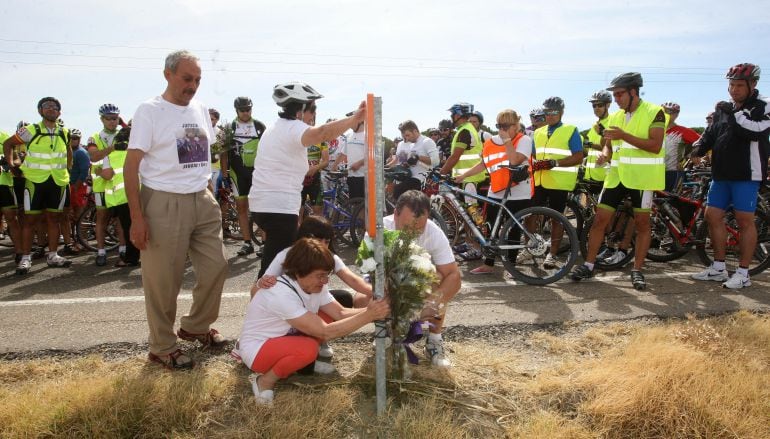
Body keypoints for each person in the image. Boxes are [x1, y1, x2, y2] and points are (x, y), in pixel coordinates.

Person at [125, 50, 230, 370]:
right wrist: (137, 218)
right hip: (163, 201)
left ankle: (195, 326)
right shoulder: (150, 111)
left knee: (218, 266)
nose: (193, 85)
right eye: (187, 78)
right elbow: (131, 167)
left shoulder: (198, 109)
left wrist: (209, 195)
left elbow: (195, 156)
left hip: (201, 198)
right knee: (163, 281)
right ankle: (161, 345)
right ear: (167, 74)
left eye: (197, 80)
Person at [238, 237, 390, 405]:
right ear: (299, 272)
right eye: (320, 276)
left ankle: (299, 363)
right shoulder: (279, 293)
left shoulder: (312, 284)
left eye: (327, 275)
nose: (325, 281)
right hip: (257, 349)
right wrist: (369, 315)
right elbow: (325, 331)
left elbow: (340, 313)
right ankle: (264, 381)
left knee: (326, 316)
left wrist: (381, 309)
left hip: (281, 338)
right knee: (308, 348)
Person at [249, 81, 366, 279]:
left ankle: (278, 302)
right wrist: (354, 119)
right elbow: (322, 133)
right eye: (312, 109)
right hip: (279, 207)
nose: (314, 115)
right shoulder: (292, 128)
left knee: (282, 261)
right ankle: (262, 305)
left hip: (267, 205)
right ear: (300, 110)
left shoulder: (277, 128)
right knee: (273, 270)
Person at [570, 72, 666, 290]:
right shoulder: (615, 117)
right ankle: (589, 265)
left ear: (633, 92)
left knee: (642, 225)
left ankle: (637, 270)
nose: (616, 99)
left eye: (620, 94)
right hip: (616, 176)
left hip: (642, 178)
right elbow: (609, 144)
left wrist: (624, 135)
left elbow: (655, 145)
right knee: (599, 220)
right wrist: (605, 153)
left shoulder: (655, 111)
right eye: (614, 95)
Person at [691, 63, 769, 289]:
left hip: (747, 173)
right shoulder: (724, 109)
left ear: (752, 85)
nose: (734, 90)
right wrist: (699, 146)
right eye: (731, 85)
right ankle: (718, 267)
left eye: (739, 85)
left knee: (745, 221)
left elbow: (754, 131)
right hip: (721, 173)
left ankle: (744, 273)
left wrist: (733, 112)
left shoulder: (763, 106)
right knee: (712, 216)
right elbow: (711, 132)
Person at [385, 190, 462, 367]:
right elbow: (370, 274)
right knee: (362, 298)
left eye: (418, 228)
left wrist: (433, 303)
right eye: (406, 227)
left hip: (416, 285)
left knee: (440, 279)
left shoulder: (434, 232)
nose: (412, 233)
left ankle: (434, 340)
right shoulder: (380, 229)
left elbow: (454, 276)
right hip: (387, 284)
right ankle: (385, 336)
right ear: (395, 214)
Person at [455, 110, 534, 275]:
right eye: (500, 126)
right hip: (496, 190)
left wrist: (507, 141)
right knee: (490, 229)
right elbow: (483, 164)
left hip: (518, 190)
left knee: (513, 228)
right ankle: (488, 264)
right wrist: (463, 175)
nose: (503, 129)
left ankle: (511, 265)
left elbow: (514, 160)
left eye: (507, 126)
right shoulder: (490, 142)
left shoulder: (524, 139)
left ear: (516, 125)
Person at [3, 97, 73, 275]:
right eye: (47, 106)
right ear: (40, 111)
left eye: (55, 107)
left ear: (59, 112)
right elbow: (9, 143)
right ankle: (26, 258)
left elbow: (69, 150)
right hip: (35, 181)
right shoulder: (31, 129)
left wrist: (68, 169)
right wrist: (12, 166)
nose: (51, 109)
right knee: (30, 221)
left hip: (57, 181)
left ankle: (53, 255)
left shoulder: (64, 131)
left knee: (54, 220)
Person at [529, 96, 584, 269]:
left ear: (561, 112)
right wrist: (534, 163)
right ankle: (529, 248)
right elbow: (533, 156)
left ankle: (552, 254)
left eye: (554, 112)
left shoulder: (570, 130)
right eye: (547, 112)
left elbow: (578, 156)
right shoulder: (538, 132)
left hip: (559, 182)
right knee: (530, 215)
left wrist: (555, 162)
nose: (550, 115)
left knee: (556, 219)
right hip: (539, 180)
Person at [221, 97, 265, 256]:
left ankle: (265, 243)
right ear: (236, 111)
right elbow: (223, 153)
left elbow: (268, 149)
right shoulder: (230, 127)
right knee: (241, 208)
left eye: (248, 109)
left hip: (257, 173)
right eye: (243, 110)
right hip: (237, 174)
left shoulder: (259, 125)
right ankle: (247, 243)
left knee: (261, 207)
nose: (246, 112)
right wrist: (224, 174)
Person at [87, 103, 127, 266]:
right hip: (102, 185)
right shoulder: (95, 137)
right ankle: (101, 251)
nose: (112, 121)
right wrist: (112, 148)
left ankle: (123, 249)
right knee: (102, 219)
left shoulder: (124, 133)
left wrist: (124, 125)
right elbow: (94, 157)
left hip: (119, 184)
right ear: (102, 119)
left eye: (115, 118)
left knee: (121, 220)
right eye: (108, 118)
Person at [388, 120, 440, 200]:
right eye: (405, 136)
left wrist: (419, 157)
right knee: (394, 189)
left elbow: (436, 161)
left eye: (408, 135)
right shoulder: (412, 144)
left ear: (415, 131)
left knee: (398, 191)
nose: (407, 139)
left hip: (423, 178)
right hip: (411, 176)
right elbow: (414, 162)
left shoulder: (427, 141)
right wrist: (406, 164)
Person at [661, 102, 701, 191]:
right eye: (663, 111)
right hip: (654, 170)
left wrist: (695, 153)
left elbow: (703, 141)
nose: (665, 114)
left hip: (673, 172)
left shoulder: (682, 131)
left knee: (669, 200)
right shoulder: (654, 130)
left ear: (676, 114)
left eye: (669, 112)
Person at [300, 110, 329, 217]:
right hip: (299, 179)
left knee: (318, 213)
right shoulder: (298, 137)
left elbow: (326, 161)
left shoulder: (321, 139)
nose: (310, 123)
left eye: (312, 121)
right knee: (298, 213)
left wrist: (315, 168)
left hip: (315, 179)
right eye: (308, 121)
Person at [0, 129, 22, 262]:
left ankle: (20, 251)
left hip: (5, 185)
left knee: (11, 219)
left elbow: (16, 159)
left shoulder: (4, 136)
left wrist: (12, 164)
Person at [584, 91, 613, 185]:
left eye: (600, 105)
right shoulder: (594, 125)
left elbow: (611, 148)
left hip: (605, 175)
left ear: (607, 105)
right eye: (594, 106)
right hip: (590, 174)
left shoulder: (613, 122)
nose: (596, 108)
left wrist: (590, 144)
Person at [333, 116, 366, 199]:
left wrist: (359, 163)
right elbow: (343, 153)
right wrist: (334, 166)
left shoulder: (368, 135)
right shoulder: (349, 136)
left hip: (364, 177)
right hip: (351, 176)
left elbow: (374, 156)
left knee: (362, 206)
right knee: (355, 206)